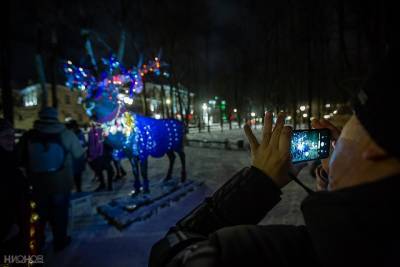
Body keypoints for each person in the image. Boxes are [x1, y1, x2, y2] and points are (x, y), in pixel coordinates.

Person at [149, 51, 399, 266]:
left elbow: (169, 254)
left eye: (355, 116)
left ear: (374, 149)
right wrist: (337, 183)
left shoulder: (298, 252)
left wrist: (259, 181)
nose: (343, 127)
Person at [18, 107, 84, 252]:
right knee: (60, 214)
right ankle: (60, 241)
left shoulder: (29, 136)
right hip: (61, 183)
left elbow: (19, 159)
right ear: (56, 117)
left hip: (37, 185)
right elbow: (79, 155)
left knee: (39, 217)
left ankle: (38, 243)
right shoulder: (66, 134)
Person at [0, 119, 29, 257]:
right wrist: (9, 224)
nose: (11, 140)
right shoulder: (3, 162)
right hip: (9, 227)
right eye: (6, 136)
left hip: (18, 221)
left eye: (12, 136)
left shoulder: (10, 158)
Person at [87, 123, 114, 191]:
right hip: (98, 154)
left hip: (103, 153)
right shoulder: (91, 132)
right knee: (100, 170)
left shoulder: (102, 130)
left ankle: (107, 185)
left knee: (107, 169)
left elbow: (108, 141)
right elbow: (91, 144)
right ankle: (104, 184)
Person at [66, 120, 87, 192]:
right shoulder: (69, 134)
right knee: (75, 174)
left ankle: (79, 188)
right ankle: (77, 188)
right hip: (72, 158)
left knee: (78, 174)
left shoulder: (79, 134)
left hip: (78, 157)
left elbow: (83, 143)